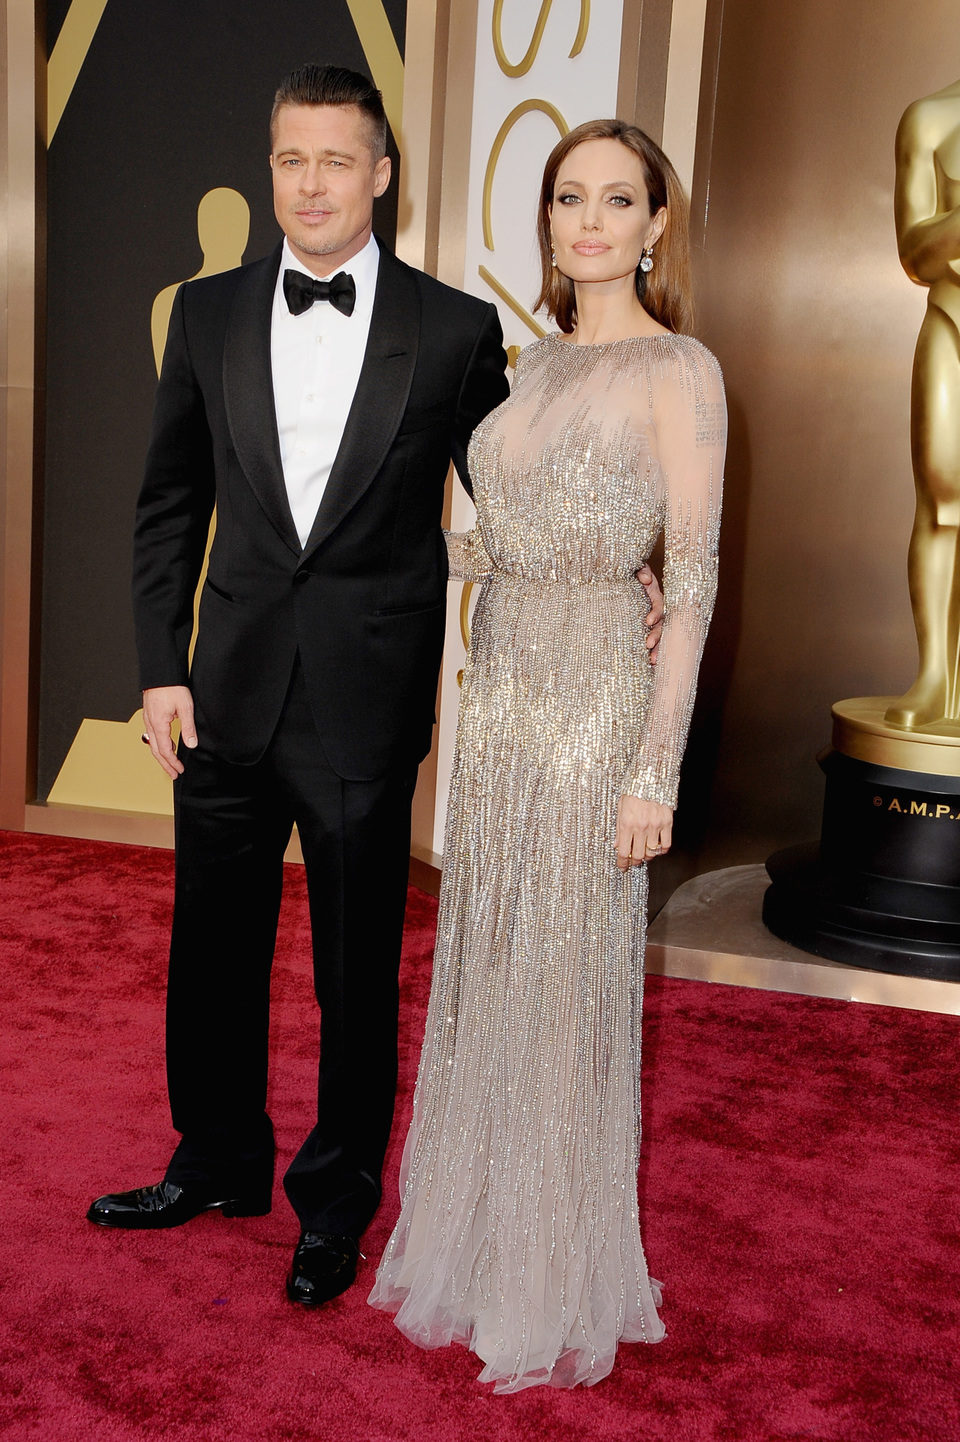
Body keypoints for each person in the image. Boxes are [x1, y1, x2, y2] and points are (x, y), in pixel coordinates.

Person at [85, 66, 664, 1309]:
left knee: (355, 973)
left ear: (381, 175)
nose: (309, 185)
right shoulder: (204, 314)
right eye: (290, 159)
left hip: (366, 698)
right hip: (225, 691)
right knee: (212, 949)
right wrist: (158, 670)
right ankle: (219, 1156)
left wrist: (632, 568)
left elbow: (523, 485)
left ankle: (334, 1202)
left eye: (336, 161)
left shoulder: (454, 330)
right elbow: (167, 509)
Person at [369, 119, 726, 1392]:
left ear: (654, 222)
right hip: (503, 708)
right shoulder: (523, 367)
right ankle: (475, 1241)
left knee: (568, 982)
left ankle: (553, 1267)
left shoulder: (682, 369)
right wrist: (389, 552)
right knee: (494, 966)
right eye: (570, 197)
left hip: (594, 715)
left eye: (617, 199)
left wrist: (653, 771)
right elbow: (500, 543)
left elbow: (687, 586)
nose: (590, 221)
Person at [884, 77, 960, 731]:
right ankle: (934, 673)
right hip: (953, 321)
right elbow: (914, 253)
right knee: (942, 501)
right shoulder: (931, 117)